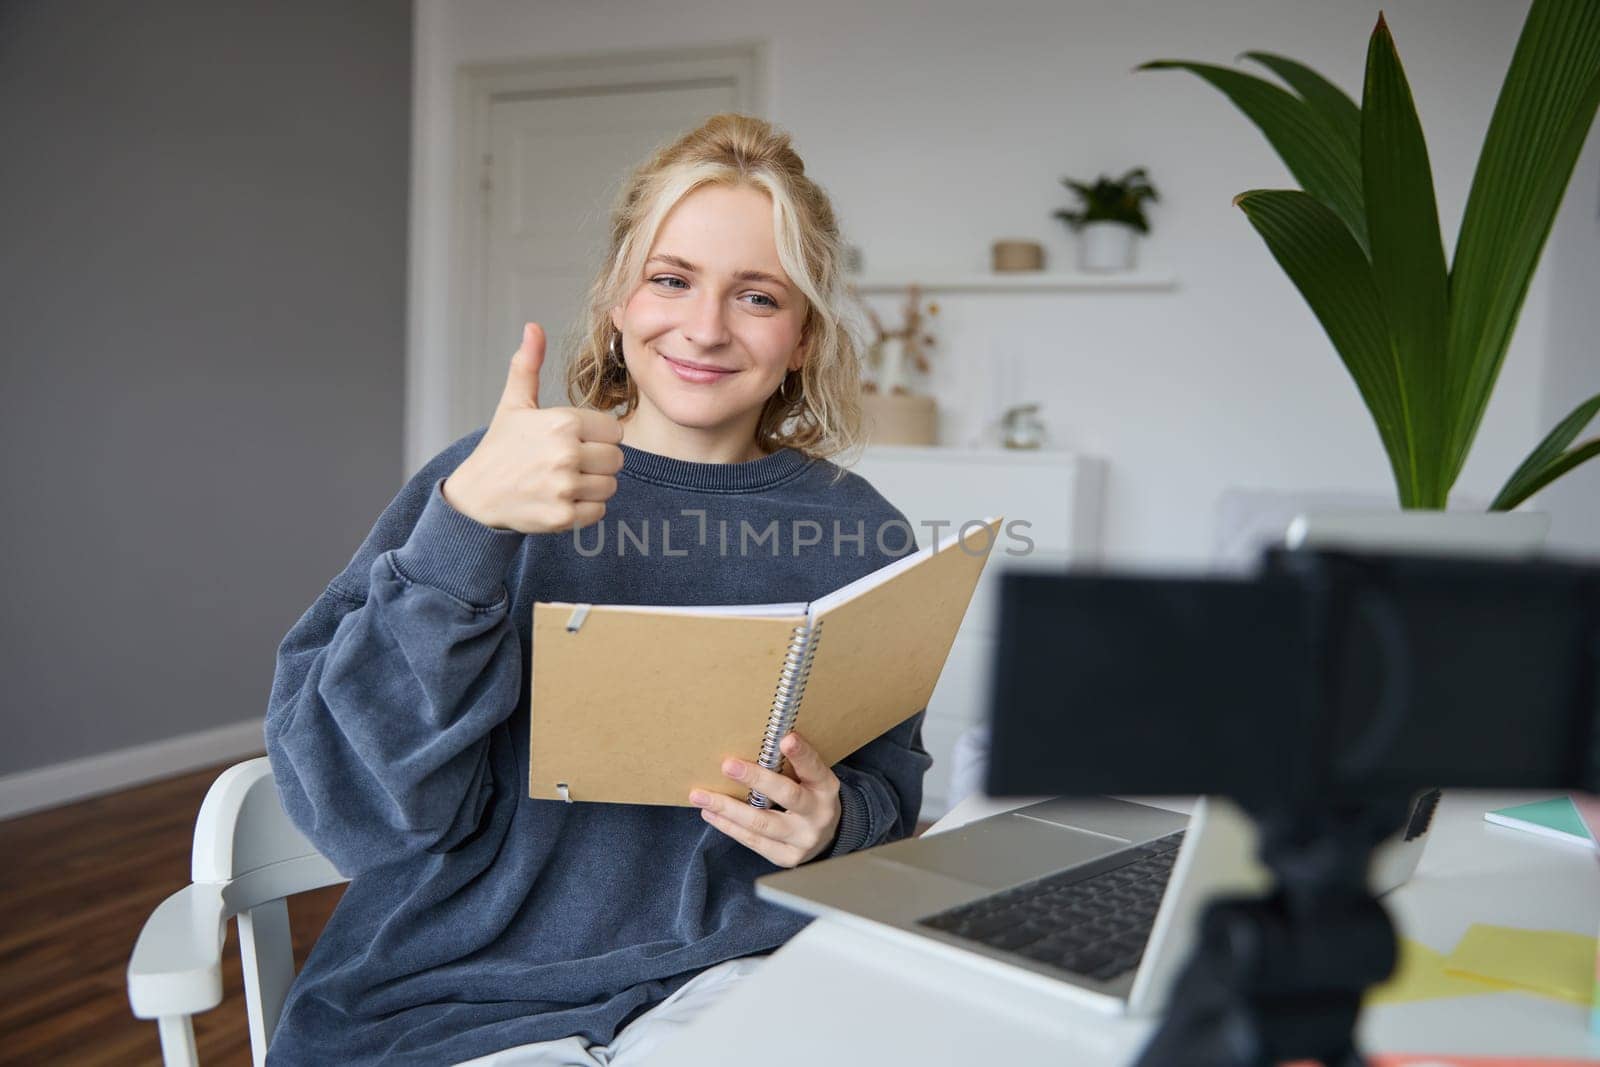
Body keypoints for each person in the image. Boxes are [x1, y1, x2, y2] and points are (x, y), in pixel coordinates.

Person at [262, 113, 932, 1065]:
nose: (704, 327)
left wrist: (837, 820)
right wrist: (467, 525)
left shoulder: (859, 527)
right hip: (459, 996)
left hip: (738, 975)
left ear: (804, 335)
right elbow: (360, 807)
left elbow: (886, 785)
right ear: (618, 298)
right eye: (671, 279)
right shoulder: (489, 479)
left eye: (757, 296)